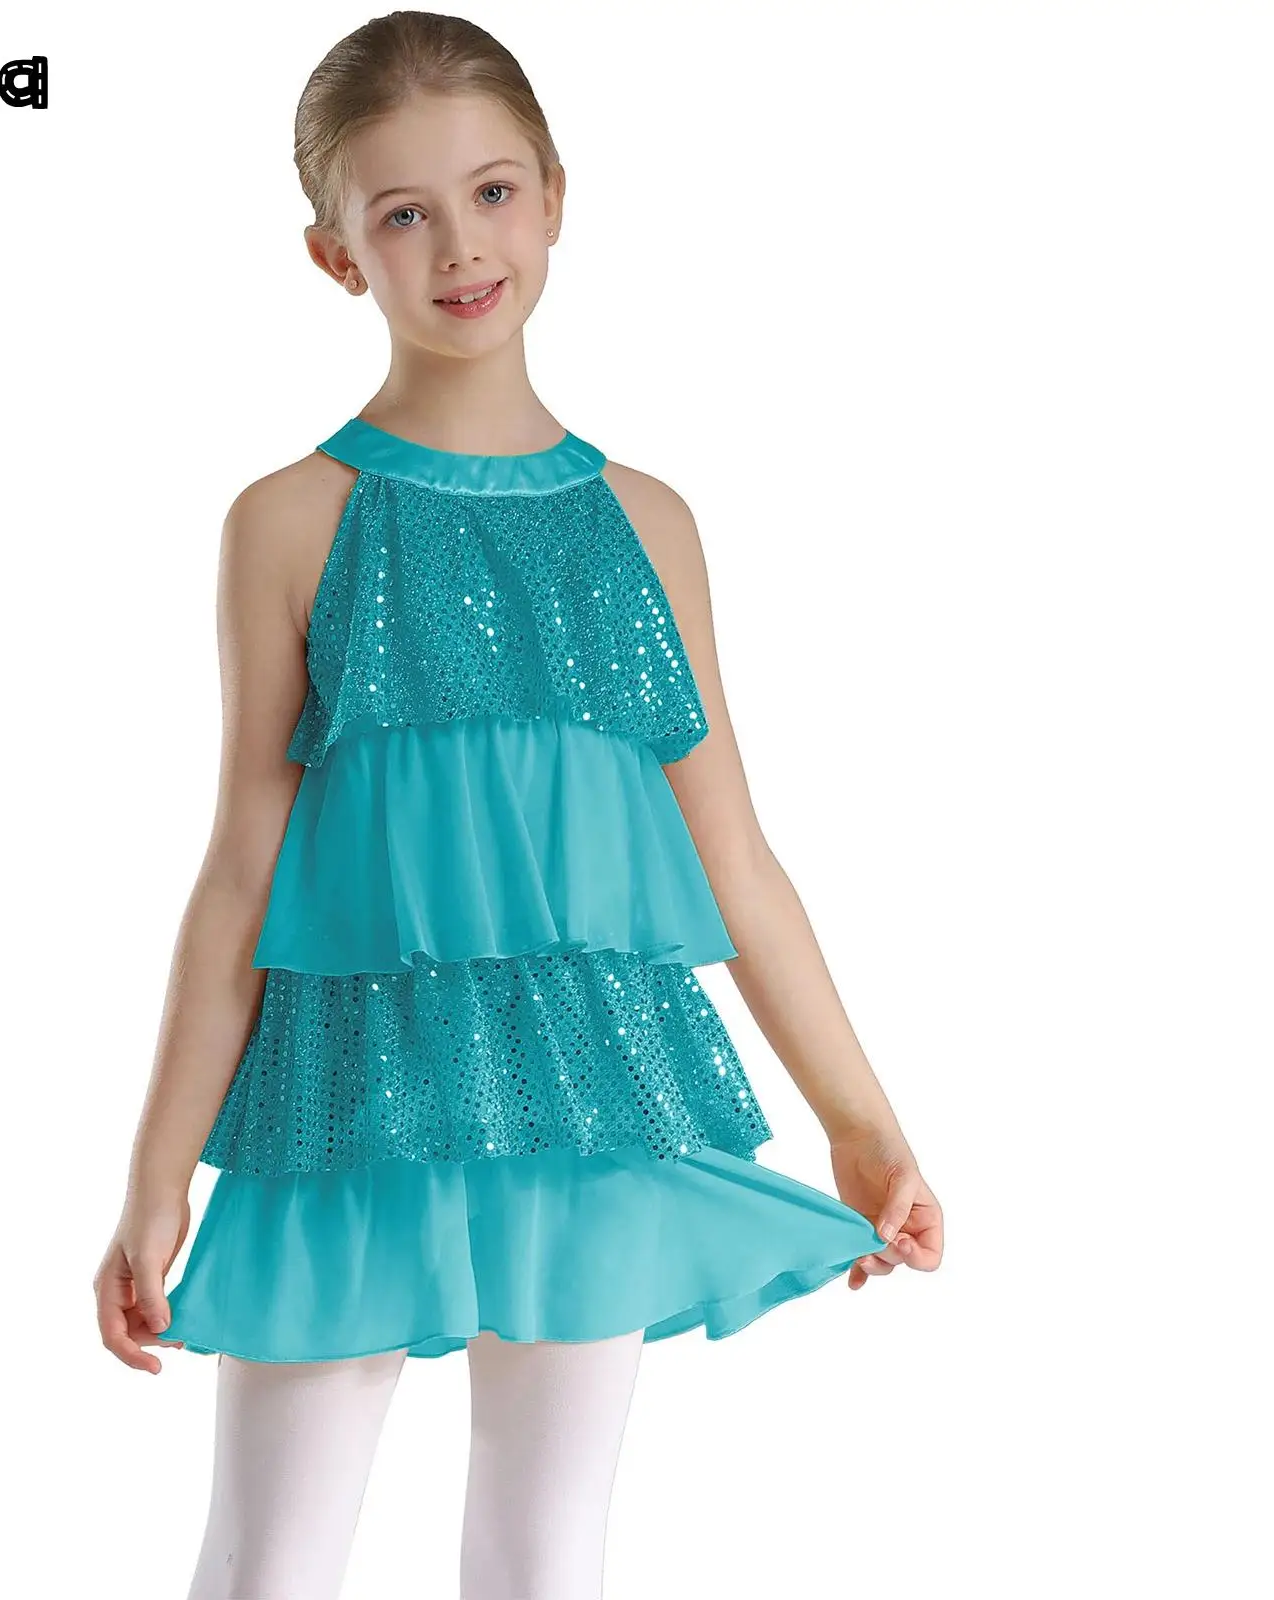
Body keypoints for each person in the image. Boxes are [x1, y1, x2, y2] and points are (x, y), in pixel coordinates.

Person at [93, 12, 945, 1598]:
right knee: (271, 1563)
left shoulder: (648, 523)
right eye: (403, 213)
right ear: (336, 254)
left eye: (491, 194)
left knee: (547, 1560)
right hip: (345, 1105)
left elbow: (736, 859)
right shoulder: (291, 522)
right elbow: (239, 875)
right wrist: (158, 1181)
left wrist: (863, 1123)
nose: (460, 246)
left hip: (586, 1104)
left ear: (555, 197)